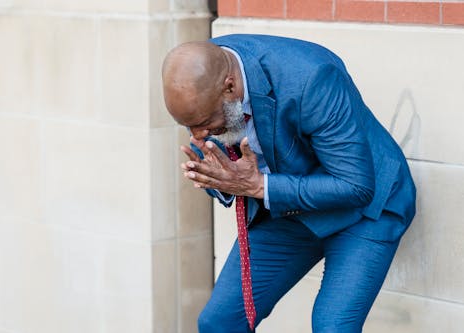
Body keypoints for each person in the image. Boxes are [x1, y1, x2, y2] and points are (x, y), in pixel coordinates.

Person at [161, 34, 416, 333]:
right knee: (219, 322)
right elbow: (231, 169)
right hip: (289, 208)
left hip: (366, 209)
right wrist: (221, 178)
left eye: (203, 122)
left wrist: (257, 187)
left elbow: (355, 185)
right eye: (188, 126)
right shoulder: (198, 78)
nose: (199, 134)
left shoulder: (311, 77)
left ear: (230, 87)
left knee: (332, 326)